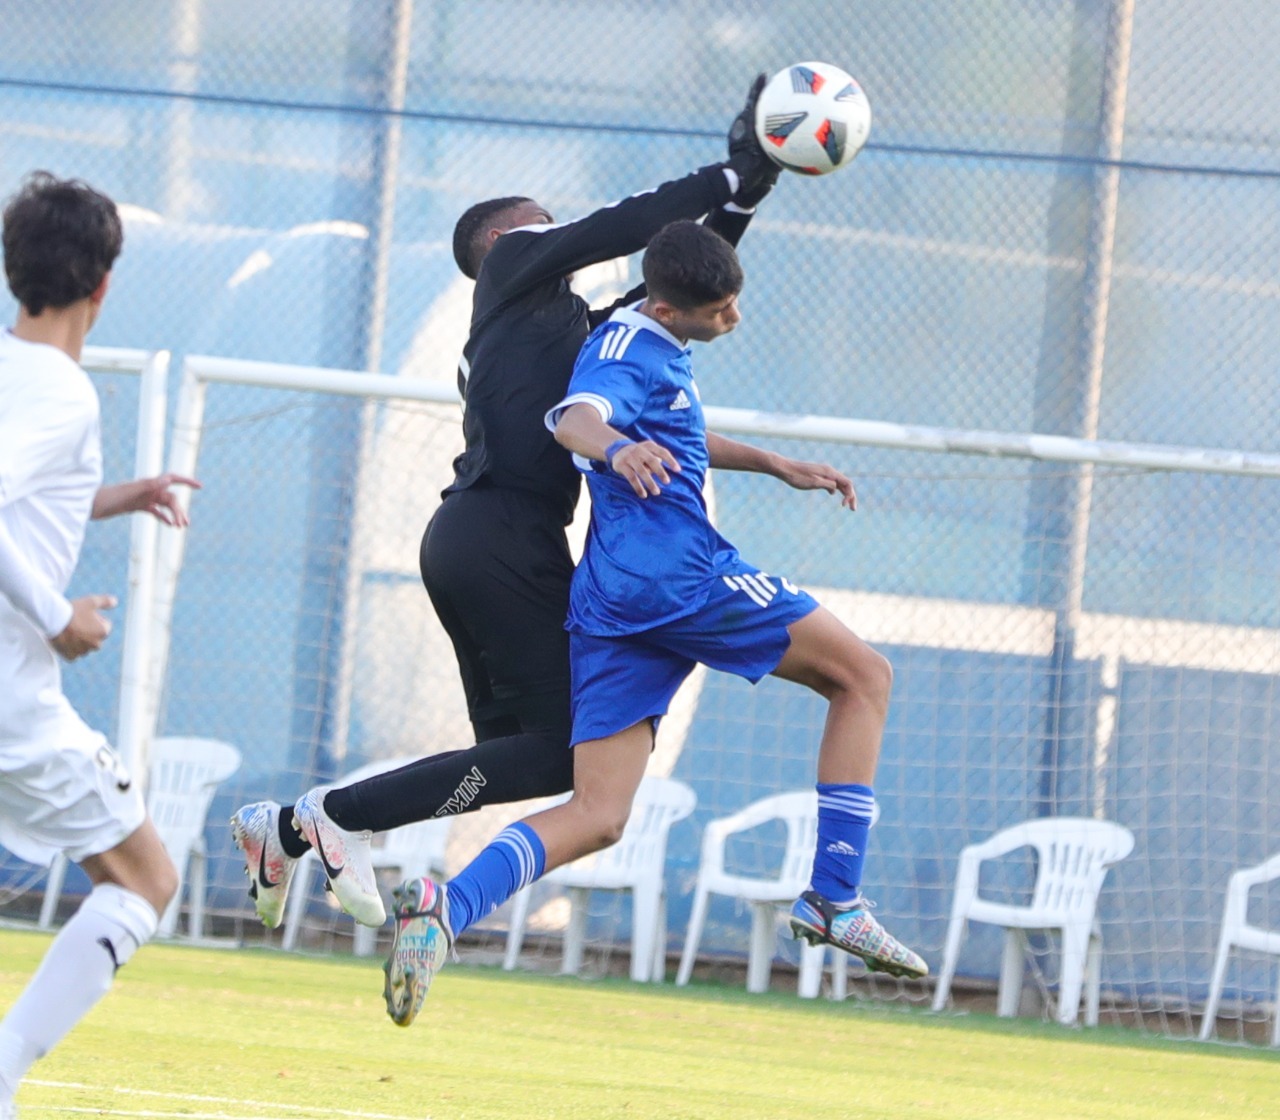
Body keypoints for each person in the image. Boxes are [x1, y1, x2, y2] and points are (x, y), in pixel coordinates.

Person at [230, 76, 854, 933]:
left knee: (534, 759)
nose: (557, 226)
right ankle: (337, 818)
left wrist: (753, 191)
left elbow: (677, 292)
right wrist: (731, 170)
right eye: (540, 218)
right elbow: (618, 228)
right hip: (498, 541)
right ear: (503, 238)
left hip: (482, 543)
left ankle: (303, 825)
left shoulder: (575, 328)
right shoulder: (509, 272)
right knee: (555, 752)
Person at [381, 219, 928, 1027]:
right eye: (723, 310)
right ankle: (835, 899)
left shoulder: (648, 341)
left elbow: (666, 428)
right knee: (865, 677)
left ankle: (444, 910)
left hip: (611, 603)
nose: (733, 319)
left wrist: (774, 463)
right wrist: (611, 450)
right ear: (672, 309)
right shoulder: (628, 350)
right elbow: (575, 419)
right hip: (676, 578)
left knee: (599, 813)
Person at [0, 172, 200, 1118]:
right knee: (147, 878)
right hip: (12, 697)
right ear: (103, 285)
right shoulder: (61, 391)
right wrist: (57, 616)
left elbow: (25, 497)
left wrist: (120, 494)